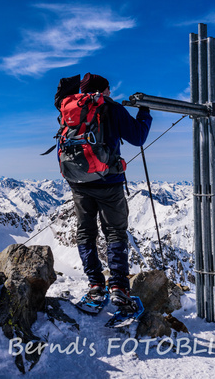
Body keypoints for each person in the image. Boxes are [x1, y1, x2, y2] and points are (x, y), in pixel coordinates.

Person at [59, 73, 152, 314]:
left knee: (85, 232)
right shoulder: (110, 108)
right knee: (114, 232)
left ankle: (95, 286)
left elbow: (59, 101)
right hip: (109, 182)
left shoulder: (69, 108)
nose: (110, 93)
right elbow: (138, 137)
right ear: (104, 90)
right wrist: (144, 111)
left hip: (77, 181)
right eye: (109, 89)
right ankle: (119, 288)